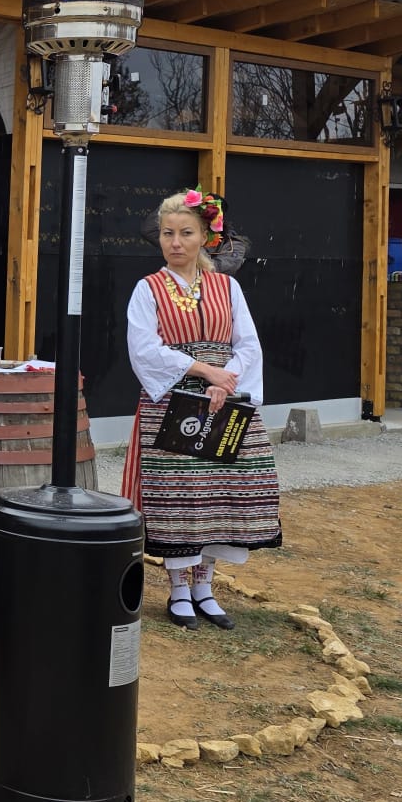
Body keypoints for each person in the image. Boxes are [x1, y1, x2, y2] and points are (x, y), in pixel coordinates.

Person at [122, 189, 281, 629]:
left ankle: (205, 588)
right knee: (181, 495)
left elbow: (248, 343)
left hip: (225, 397)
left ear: (205, 236)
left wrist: (226, 380)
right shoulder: (148, 289)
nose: (175, 242)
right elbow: (143, 348)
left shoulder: (227, 286)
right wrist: (202, 370)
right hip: (172, 399)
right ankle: (177, 591)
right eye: (168, 233)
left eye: (185, 233)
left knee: (219, 494)